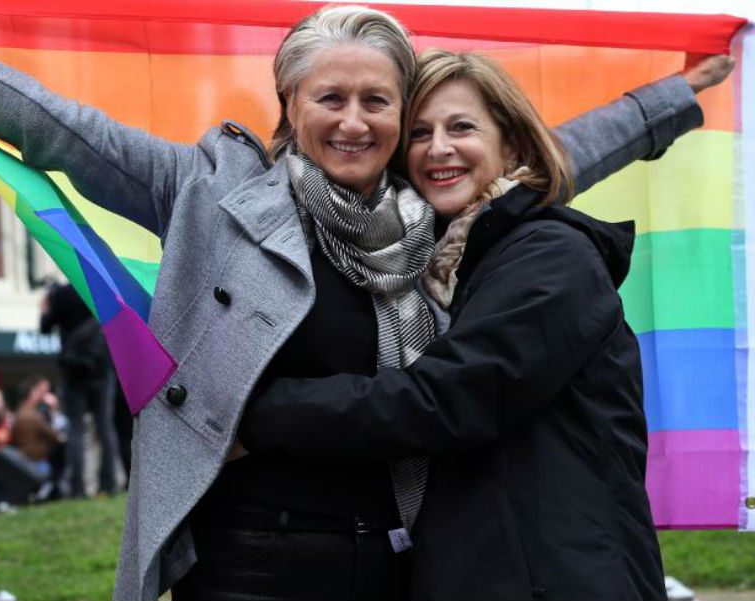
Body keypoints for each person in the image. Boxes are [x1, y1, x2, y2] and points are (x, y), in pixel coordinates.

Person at [0, 5, 722, 600]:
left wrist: (665, 104)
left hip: (399, 556)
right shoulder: (209, 191)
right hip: (249, 561)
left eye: (376, 101)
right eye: (331, 97)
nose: (354, 121)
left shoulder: (432, 211)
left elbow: (546, 153)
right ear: (289, 102)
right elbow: (62, 134)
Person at [239, 49, 733, 600]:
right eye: (419, 134)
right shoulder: (453, 265)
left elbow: (442, 400)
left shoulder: (550, 257)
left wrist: (256, 416)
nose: (439, 148)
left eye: (461, 127)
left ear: (514, 146)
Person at [40, 283, 120, 498]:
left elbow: (45, 327)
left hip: (73, 372)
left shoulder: (61, 295)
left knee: (75, 430)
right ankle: (109, 482)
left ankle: (78, 488)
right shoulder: (98, 288)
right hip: (101, 369)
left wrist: (45, 307)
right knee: (105, 427)